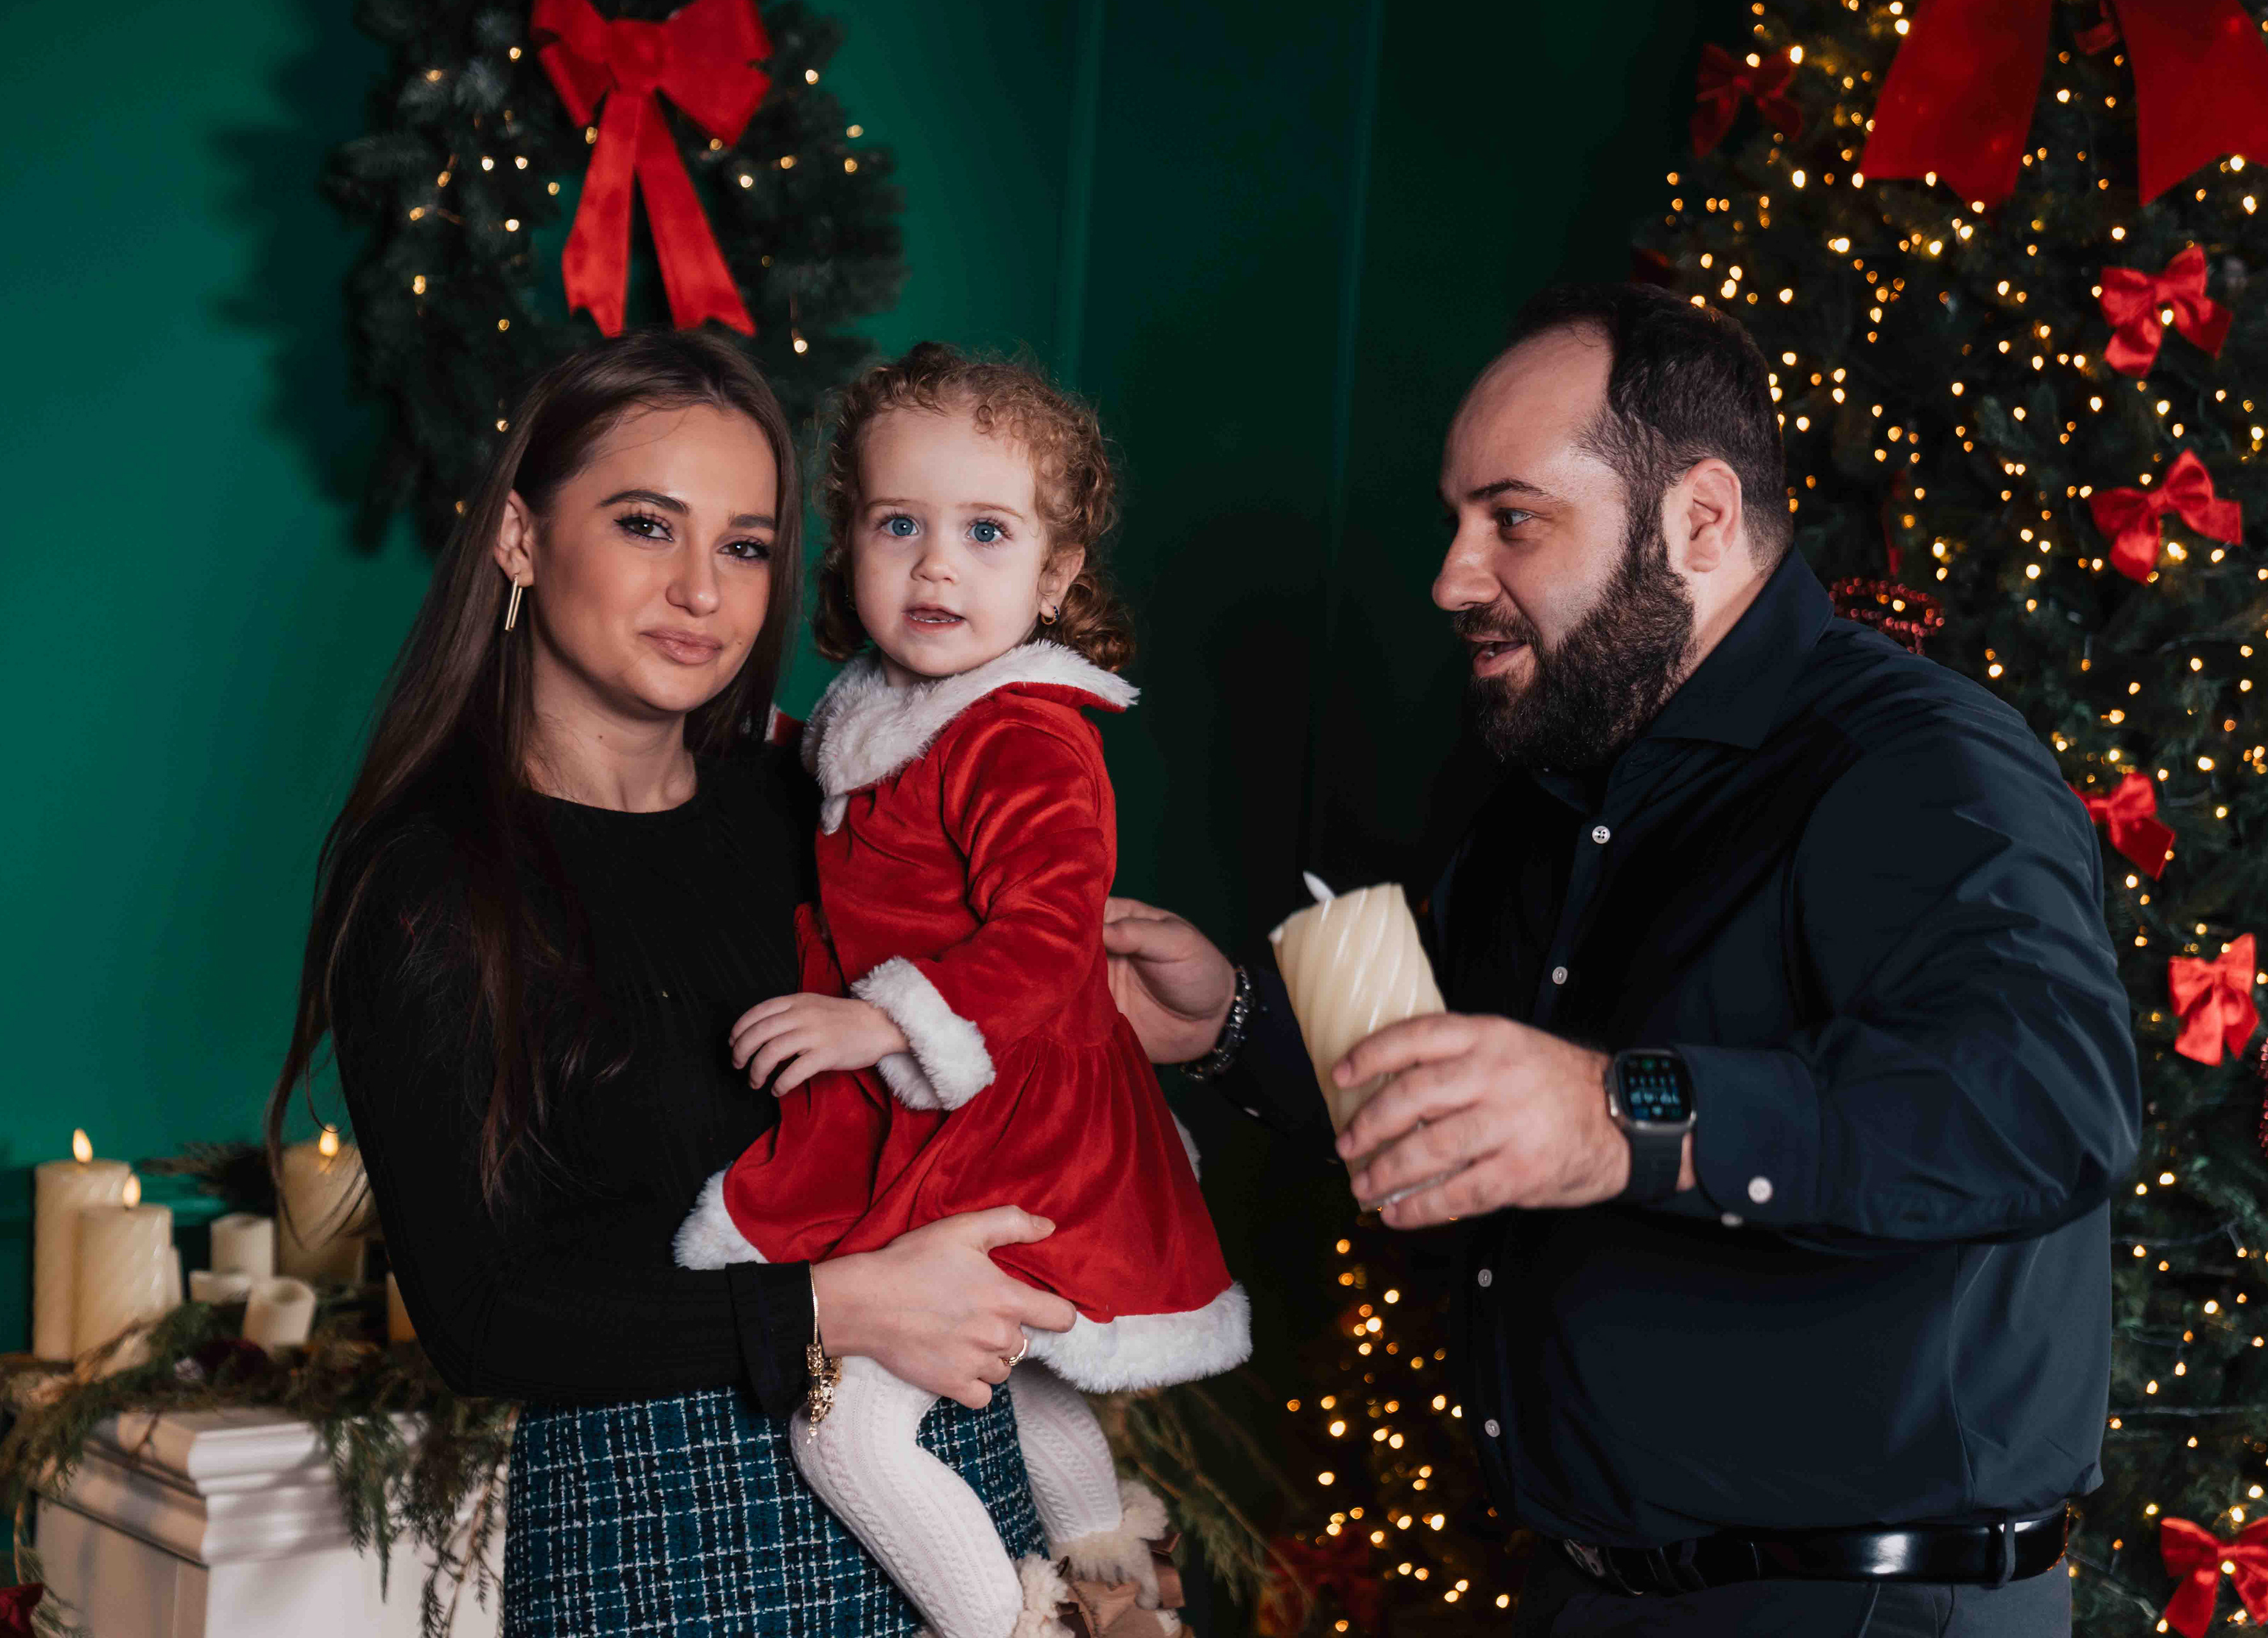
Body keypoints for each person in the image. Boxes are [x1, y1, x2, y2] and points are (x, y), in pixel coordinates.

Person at [1103, 284, 2142, 1636]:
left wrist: (1617, 1114)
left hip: (1866, 1612)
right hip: (1589, 1592)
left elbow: (2044, 1103)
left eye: (1513, 520)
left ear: (1699, 518)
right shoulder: (1551, 794)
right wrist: (1234, 1023)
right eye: (1456, 521)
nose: (1452, 578)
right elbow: (1452, 1082)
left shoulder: (1910, 761)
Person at [268, 330, 1081, 1637]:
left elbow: (989, 1038)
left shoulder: (814, 803)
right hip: (664, 1536)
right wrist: (832, 1306)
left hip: (964, 1489)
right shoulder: (432, 880)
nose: (701, 589)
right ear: (520, 537)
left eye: (745, 546)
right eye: (647, 525)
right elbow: (479, 1318)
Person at [673, 345, 1244, 1638]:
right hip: (984, 1109)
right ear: (850, 549)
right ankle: (1110, 1585)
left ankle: (1005, 1623)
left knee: (846, 1433)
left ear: (1055, 576)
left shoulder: (1027, 732)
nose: (937, 566)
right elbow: (847, 802)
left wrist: (883, 1018)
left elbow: (1048, 937)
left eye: (986, 532)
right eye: (900, 525)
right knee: (1032, 1369)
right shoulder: (886, 707)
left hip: (1014, 1118)